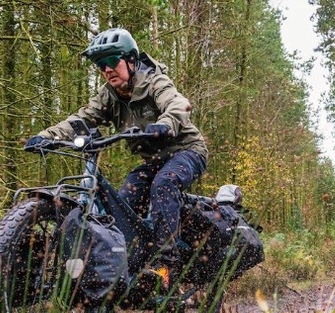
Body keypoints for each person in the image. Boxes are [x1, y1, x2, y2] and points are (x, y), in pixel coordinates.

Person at [24, 28, 208, 290]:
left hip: (187, 151)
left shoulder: (154, 81)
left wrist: (165, 124)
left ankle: (167, 266)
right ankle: (134, 266)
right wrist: (47, 136)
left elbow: (178, 104)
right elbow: (83, 118)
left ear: (131, 61)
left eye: (113, 61)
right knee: (124, 206)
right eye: (101, 65)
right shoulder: (108, 95)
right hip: (153, 161)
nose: (107, 69)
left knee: (164, 184)